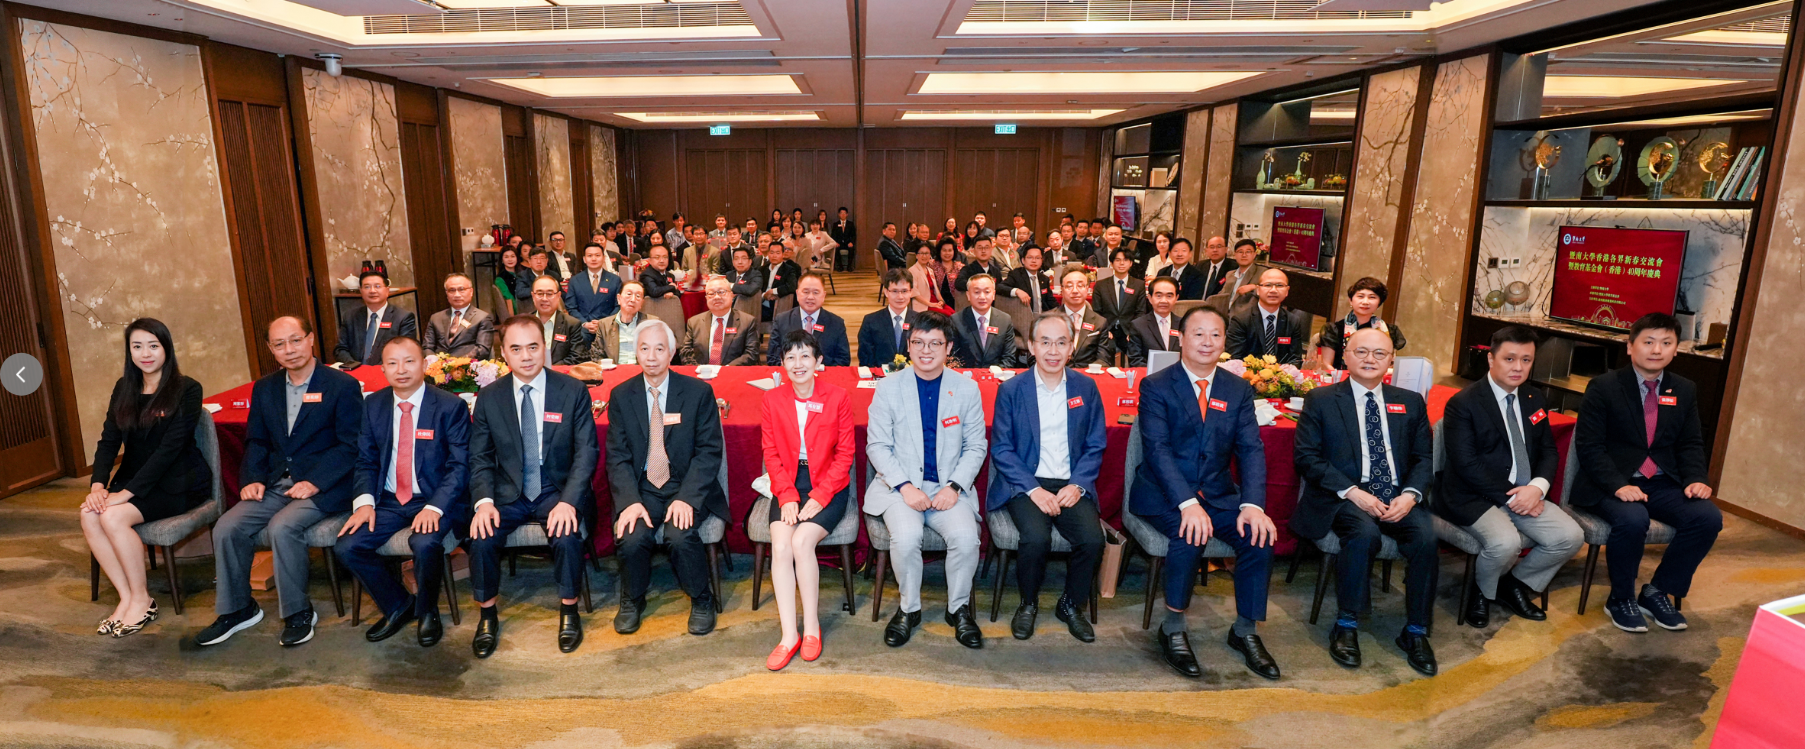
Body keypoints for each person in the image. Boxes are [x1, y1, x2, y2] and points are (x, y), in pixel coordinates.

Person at [1131, 305, 1279, 680]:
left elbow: (1250, 449)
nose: (1207, 342)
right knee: (1189, 532)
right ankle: (1173, 626)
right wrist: (1187, 503)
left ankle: (1244, 630)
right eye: (1198, 333)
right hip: (1164, 493)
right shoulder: (1157, 385)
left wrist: (1253, 505)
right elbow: (1158, 450)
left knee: (1258, 535)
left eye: (1215, 334)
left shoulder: (1237, 388)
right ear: (1181, 338)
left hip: (1217, 493)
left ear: (1224, 341)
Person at [197, 316, 361, 648]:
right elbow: (257, 440)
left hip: (325, 486)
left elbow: (351, 445)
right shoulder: (265, 388)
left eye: (296, 340)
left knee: (283, 527)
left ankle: (299, 612)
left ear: (311, 339)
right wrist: (252, 478)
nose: (290, 349)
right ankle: (238, 608)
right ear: (271, 349)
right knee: (227, 527)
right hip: (277, 483)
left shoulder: (341, 385)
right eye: (280, 344)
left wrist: (315, 481)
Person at [1292, 328, 1439, 677]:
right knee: (1363, 534)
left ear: (1391, 360)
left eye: (1379, 353)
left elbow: (1423, 458)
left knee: (1426, 538)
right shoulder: (1322, 399)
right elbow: (1307, 457)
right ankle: (1346, 624)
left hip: (1398, 494)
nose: (1370, 359)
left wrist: (1410, 495)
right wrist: (1351, 491)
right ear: (1346, 356)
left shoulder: (1410, 401)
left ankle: (1416, 631)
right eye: (1361, 352)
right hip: (1344, 494)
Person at [1571, 312, 1721, 634]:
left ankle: (1657, 591)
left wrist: (1697, 478)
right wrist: (1618, 485)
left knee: (1707, 517)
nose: (1656, 350)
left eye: (1666, 343)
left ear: (1675, 349)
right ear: (1630, 346)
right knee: (1632, 519)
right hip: (1610, 482)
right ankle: (1620, 598)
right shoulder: (1604, 387)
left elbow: (1690, 443)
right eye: (1648, 342)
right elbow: (1590, 447)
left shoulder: (1684, 389)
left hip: (1662, 482)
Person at [466, 315, 599, 658]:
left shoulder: (572, 391)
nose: (525, 356)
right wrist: (484, 502)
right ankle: (487, 614)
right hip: (507, 490)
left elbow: (587, 452)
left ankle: (569, 609)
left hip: (555, 486)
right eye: (516, 349)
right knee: (481, 535)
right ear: (503, 354)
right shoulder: (490, 397)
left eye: (533, 347)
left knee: (567, 532)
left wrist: (569, 502)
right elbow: (480, 457)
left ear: (545, 347)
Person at [1436, 326, 1582, 628]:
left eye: (1526, 360)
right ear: (1491, 359)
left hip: (1525, 493)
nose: (1518, 367)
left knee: (1570, 536)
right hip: (1473, 495)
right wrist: (1516, 496)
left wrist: (1537, 488)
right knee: (1505, 543)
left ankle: (1513, 585)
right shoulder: (1464, 403)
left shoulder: (1533, 398)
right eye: (1510, 359)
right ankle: (1481, 592)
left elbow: (1548, 451)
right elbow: (1466, 464)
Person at [333, 336, 470, 647]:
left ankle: (427, 610)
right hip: (389, 500)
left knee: (423, 542)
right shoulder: (374, 405)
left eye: (409, 361)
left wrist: (434, 507)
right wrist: (364, 503)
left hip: (435, 499)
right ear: (382, 369)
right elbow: (366, 459)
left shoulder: (450, 406)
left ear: (424, 365)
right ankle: (398, 605)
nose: (402, 369)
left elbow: (460, 466)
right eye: (392, 363)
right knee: (347, 546)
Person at [864, 311, 988, 650]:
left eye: (935, 343)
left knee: (966, 538)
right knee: (905, 539)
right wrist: (905, 487)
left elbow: (976, 446)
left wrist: (955, 486)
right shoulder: (889, 387)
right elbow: (877, 445)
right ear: (909, 345)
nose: (926, 350)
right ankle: (909, 609)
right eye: (918, 342)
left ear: (948, 348)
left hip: (948, 488)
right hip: (900, 488)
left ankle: (958, 608)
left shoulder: (966, 389)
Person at [83, 318, 208, 638]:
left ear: (166, 348)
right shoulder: (123, 388)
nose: (146, 353)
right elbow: (108, 440)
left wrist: (125, 495)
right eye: (137, 346)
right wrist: (98, 486)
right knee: (89, 513)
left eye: (153, 345)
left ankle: (142, 599)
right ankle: (127, 598)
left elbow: (170, 450)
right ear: (129, 351)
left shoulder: (187, 389)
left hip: (177, 480)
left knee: (112, 517)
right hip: (134, 478)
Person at [989, 313, 1107, 642]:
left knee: (1092, 540)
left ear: (1071, 347)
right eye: (1045, 342)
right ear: (1031, 346)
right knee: (1036, 539)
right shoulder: (1012, 390)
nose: (1053, 351)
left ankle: (1070, 604)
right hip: (1026, 483)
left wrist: (1078, 484)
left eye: (1061, 342)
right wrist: (1033, 489)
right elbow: (1002, 449)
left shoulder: (1086, 387)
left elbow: (1096, 444)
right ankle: (1028, 603)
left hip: (1071, 483)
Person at [607, 321, 728, 636]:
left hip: (684, 484)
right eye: (644, 348)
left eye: (659, 349)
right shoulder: (622, 395)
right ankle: (632, 599)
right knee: (631, 536)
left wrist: (687, 498)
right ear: (636, 352)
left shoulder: (698, 393)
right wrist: (629, 502)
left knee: (679, 535)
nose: (651, 357)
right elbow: (617, 456)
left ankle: (702, 599)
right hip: (643, 487)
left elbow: (708, 452)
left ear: (672, 352)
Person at [759, 331, 858, 670]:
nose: (798, 364)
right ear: (782, 363)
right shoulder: (772, 400)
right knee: (781, 546)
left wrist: (821, 495)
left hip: (829, 482)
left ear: (819, 362)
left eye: (805, 356)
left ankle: (812, 627)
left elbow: (845, 455)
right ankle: (789, 635)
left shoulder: (838, 397)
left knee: (802, 542)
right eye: (790, 357)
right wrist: (787, 494)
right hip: (788, 481)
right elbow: (771, 453)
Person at [1317, 277, 1407, 371]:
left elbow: (1389, 365)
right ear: (1351, 300)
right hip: (1341, 378)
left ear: (1379, 303)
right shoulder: (1333, 329)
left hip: (1376, 378)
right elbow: (1326, 365)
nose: (1365, 302)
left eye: (1372, 297)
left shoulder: (1390, 331)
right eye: (1360, 296)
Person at [1226, 268, 1312, 366]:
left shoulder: (1293, 321)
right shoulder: (1241, 320)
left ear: (1287, 291)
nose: (1273, 290)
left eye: (1279, 285)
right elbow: (1234, 360)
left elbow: (1295, 359)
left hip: (1282, 374)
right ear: (1258, 290)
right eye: (1268, 285)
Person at [334, 270, 419, 366]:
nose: (372, 291)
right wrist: (356, 367)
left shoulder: (403, 317)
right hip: (355, 370)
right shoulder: (350, 316)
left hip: (385, 371)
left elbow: (404, 351)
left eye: (377, 286)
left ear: (387, 290)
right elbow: (340, 349)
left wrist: (374, 370)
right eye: (367, 287)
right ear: (360, 290)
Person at [765, 273, 851, 366]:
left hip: (825, 373)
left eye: (816, 292)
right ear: (797, 294)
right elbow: (772, 357)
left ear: (824, 295)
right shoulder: (782, 320)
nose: (810, 297)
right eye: (806, 292)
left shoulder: (836, 323)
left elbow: (843, 359)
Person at [683, 276, 760, 366]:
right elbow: (686, 351)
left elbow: (751, 353)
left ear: (731, 295)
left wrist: (725, 370)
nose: (716, 297)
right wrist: (700, 369)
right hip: (701, 372)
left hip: (733, 372)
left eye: (721, 292)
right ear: (706, 298)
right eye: (711, 293)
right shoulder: (694, 322)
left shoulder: (747, 321)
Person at [585, 279, 658, 365]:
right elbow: (597, 356)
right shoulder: (604, 325)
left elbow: (661, 353)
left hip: (643, 370)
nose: (633, 299)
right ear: (619, 298)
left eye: (638, 296)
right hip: (615, 370)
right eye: (629, 294)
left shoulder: (653, 323)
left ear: (642, 303)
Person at [952, 274, 1017, 368]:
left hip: (996, 374)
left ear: (993, 294)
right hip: (966, 374)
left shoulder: (1005, 320)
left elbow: (1009, 357)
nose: (982, 297)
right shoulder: (956, 320)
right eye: (977, 292)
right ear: (968, 295)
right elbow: (953, 357)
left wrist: (995, 373)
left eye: (987, 292)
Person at [423, 273, 495, 359]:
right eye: (452, 290)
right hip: (438, 365)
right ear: (447, 293)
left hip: (468, 365)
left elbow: (482, 350)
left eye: (461, 289)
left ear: (471, 292)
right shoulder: (435, 318)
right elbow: (427, 347)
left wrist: (456, 363)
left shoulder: (482, 318)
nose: (457, 295)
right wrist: (432, 360)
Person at [858, 269, 919, 368]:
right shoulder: (871, 321)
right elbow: (865, 357)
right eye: (895, 291)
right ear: (886, 292)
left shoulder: (920, 321)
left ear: (911, 292)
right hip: (880, 374)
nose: (900, 297)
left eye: (904, 291)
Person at [1055, 266, 1114, 368]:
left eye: (1080, 285)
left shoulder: (1099, 322)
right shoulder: (1048, 320)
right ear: (1062, 290)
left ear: (1087, 288)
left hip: (1088, 374)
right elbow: (1036, 356)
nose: (1075, 290)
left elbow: (1104, 359)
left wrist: (1085, 374)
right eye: (1069, 286)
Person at [1093, 248, 1145, 363]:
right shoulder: (1101, 285)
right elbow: (1096, 311)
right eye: (1117, 260)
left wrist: (1133, 331)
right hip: (1108, 328)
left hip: (1129, 329)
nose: (1122, 263)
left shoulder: (1139, 285)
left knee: (1136, 354)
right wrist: (1104, 330)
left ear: (1131, 263)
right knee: (1105, 354)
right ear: (1111, 263)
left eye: (1125, 260)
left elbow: (1140, 312)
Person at [527, 276, 590, 366]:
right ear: (533, 296)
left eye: (549, 294)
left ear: (558, 296)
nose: (544, 299)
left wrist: (550, 370)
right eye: (540, 294)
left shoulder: (571, 324)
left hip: (560, 373)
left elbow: (577, 357)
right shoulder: (522, 324)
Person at [1125, 276, 1182, 368]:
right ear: (1150, 298)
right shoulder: (1138, 325)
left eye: (1169, 296)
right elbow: (1135, 360)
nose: (1164, 301)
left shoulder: (1184, 324)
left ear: (1176, 298)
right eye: (1159, 296)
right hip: (1150, 374)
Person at [564, 243, 623, 328]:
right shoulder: (575, 280)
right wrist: (585, 324)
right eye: (590, 256)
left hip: (608, 327)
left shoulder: (615, 280)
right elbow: (571, 307)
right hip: (582, 327)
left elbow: (618, 306)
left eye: (597, 255)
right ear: (584, 259)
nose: (594, 259)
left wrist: (604, 324)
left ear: (604, 258)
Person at [1207, 239, 1266, 315]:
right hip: (1224, 314)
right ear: (1235, 254)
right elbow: (1221, 296)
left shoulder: (1263, 273)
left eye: (1248, 252)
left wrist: (1254, 287)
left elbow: (1270, 292)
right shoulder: (1230, 274)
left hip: (1246, 317)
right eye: (1240, 252)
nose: (1244, 255)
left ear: (1254, 254)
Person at [1002, 245, 1057, 316]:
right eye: (1030, 257)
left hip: (1042, 317)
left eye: (1037, 258)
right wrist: (1017, 291)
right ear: (1023, 260)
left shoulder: (1044, 278)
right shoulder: (1016, 274)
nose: (1034, 261)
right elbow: (1000, 287)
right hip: (1023, 317)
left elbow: (1050, 300)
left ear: (1041, 260)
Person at [759, 240, 802, 326]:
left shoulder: (789, 269)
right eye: (772, 253)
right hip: (761, 303)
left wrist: (773, 291)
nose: (774, 256)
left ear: (783, 254)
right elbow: (757, 286)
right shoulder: (762, 269)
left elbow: (792, 286)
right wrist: (764, 295)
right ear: (768, 254)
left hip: (778, 305)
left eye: (778, 253)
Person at [909, 245, 949, 315]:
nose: (924, 256)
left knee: (953, 314)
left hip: (935, 302)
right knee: (947, 315)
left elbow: (936, 290)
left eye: (927, 253)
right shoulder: (912, 271)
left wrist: (941, 301)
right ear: (917, 256)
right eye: (921, 253)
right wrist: (931, 304)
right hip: (924, 305)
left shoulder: (930, 270)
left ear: (930, 255)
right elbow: (914, 293)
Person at [494, 245, 523, 317]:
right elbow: (509, 299)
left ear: (517, 258)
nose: (510, 259)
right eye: (506, 257)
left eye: (512, 256)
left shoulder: (523, 273)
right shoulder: (500, 279)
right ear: (502, 260)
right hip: (516, 312)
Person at [831, 207, 856, 271]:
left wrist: (851, 242)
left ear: (847, 214)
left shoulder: (850, 224)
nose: (843, 215)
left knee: (852, 249)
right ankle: (840, 266)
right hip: (839, 243)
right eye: (841, 213)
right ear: (839, 214)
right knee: (836, 249)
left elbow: (853, 235)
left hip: (848, 243)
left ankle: (849, 266)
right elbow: (833, 235)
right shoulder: (835, 224)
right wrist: (835, 243)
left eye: (844, 213)